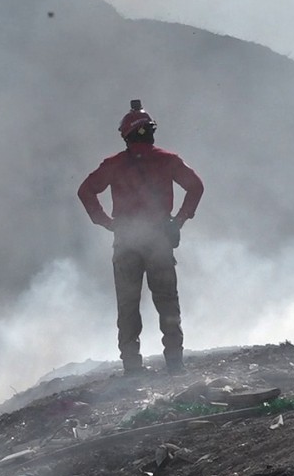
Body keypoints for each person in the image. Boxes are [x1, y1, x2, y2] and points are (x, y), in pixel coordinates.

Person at [78, 100, 204, 375]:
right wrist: (179, 220)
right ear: (150, 131)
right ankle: (174, 363)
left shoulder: (113, 165)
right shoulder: (168, 160)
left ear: (126, 135)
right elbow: (196, 186)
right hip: (159, 237)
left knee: (127, 304)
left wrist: (107, 223)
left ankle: (132, 367)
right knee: (167, 300)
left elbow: (85, 191)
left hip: (126, 239)